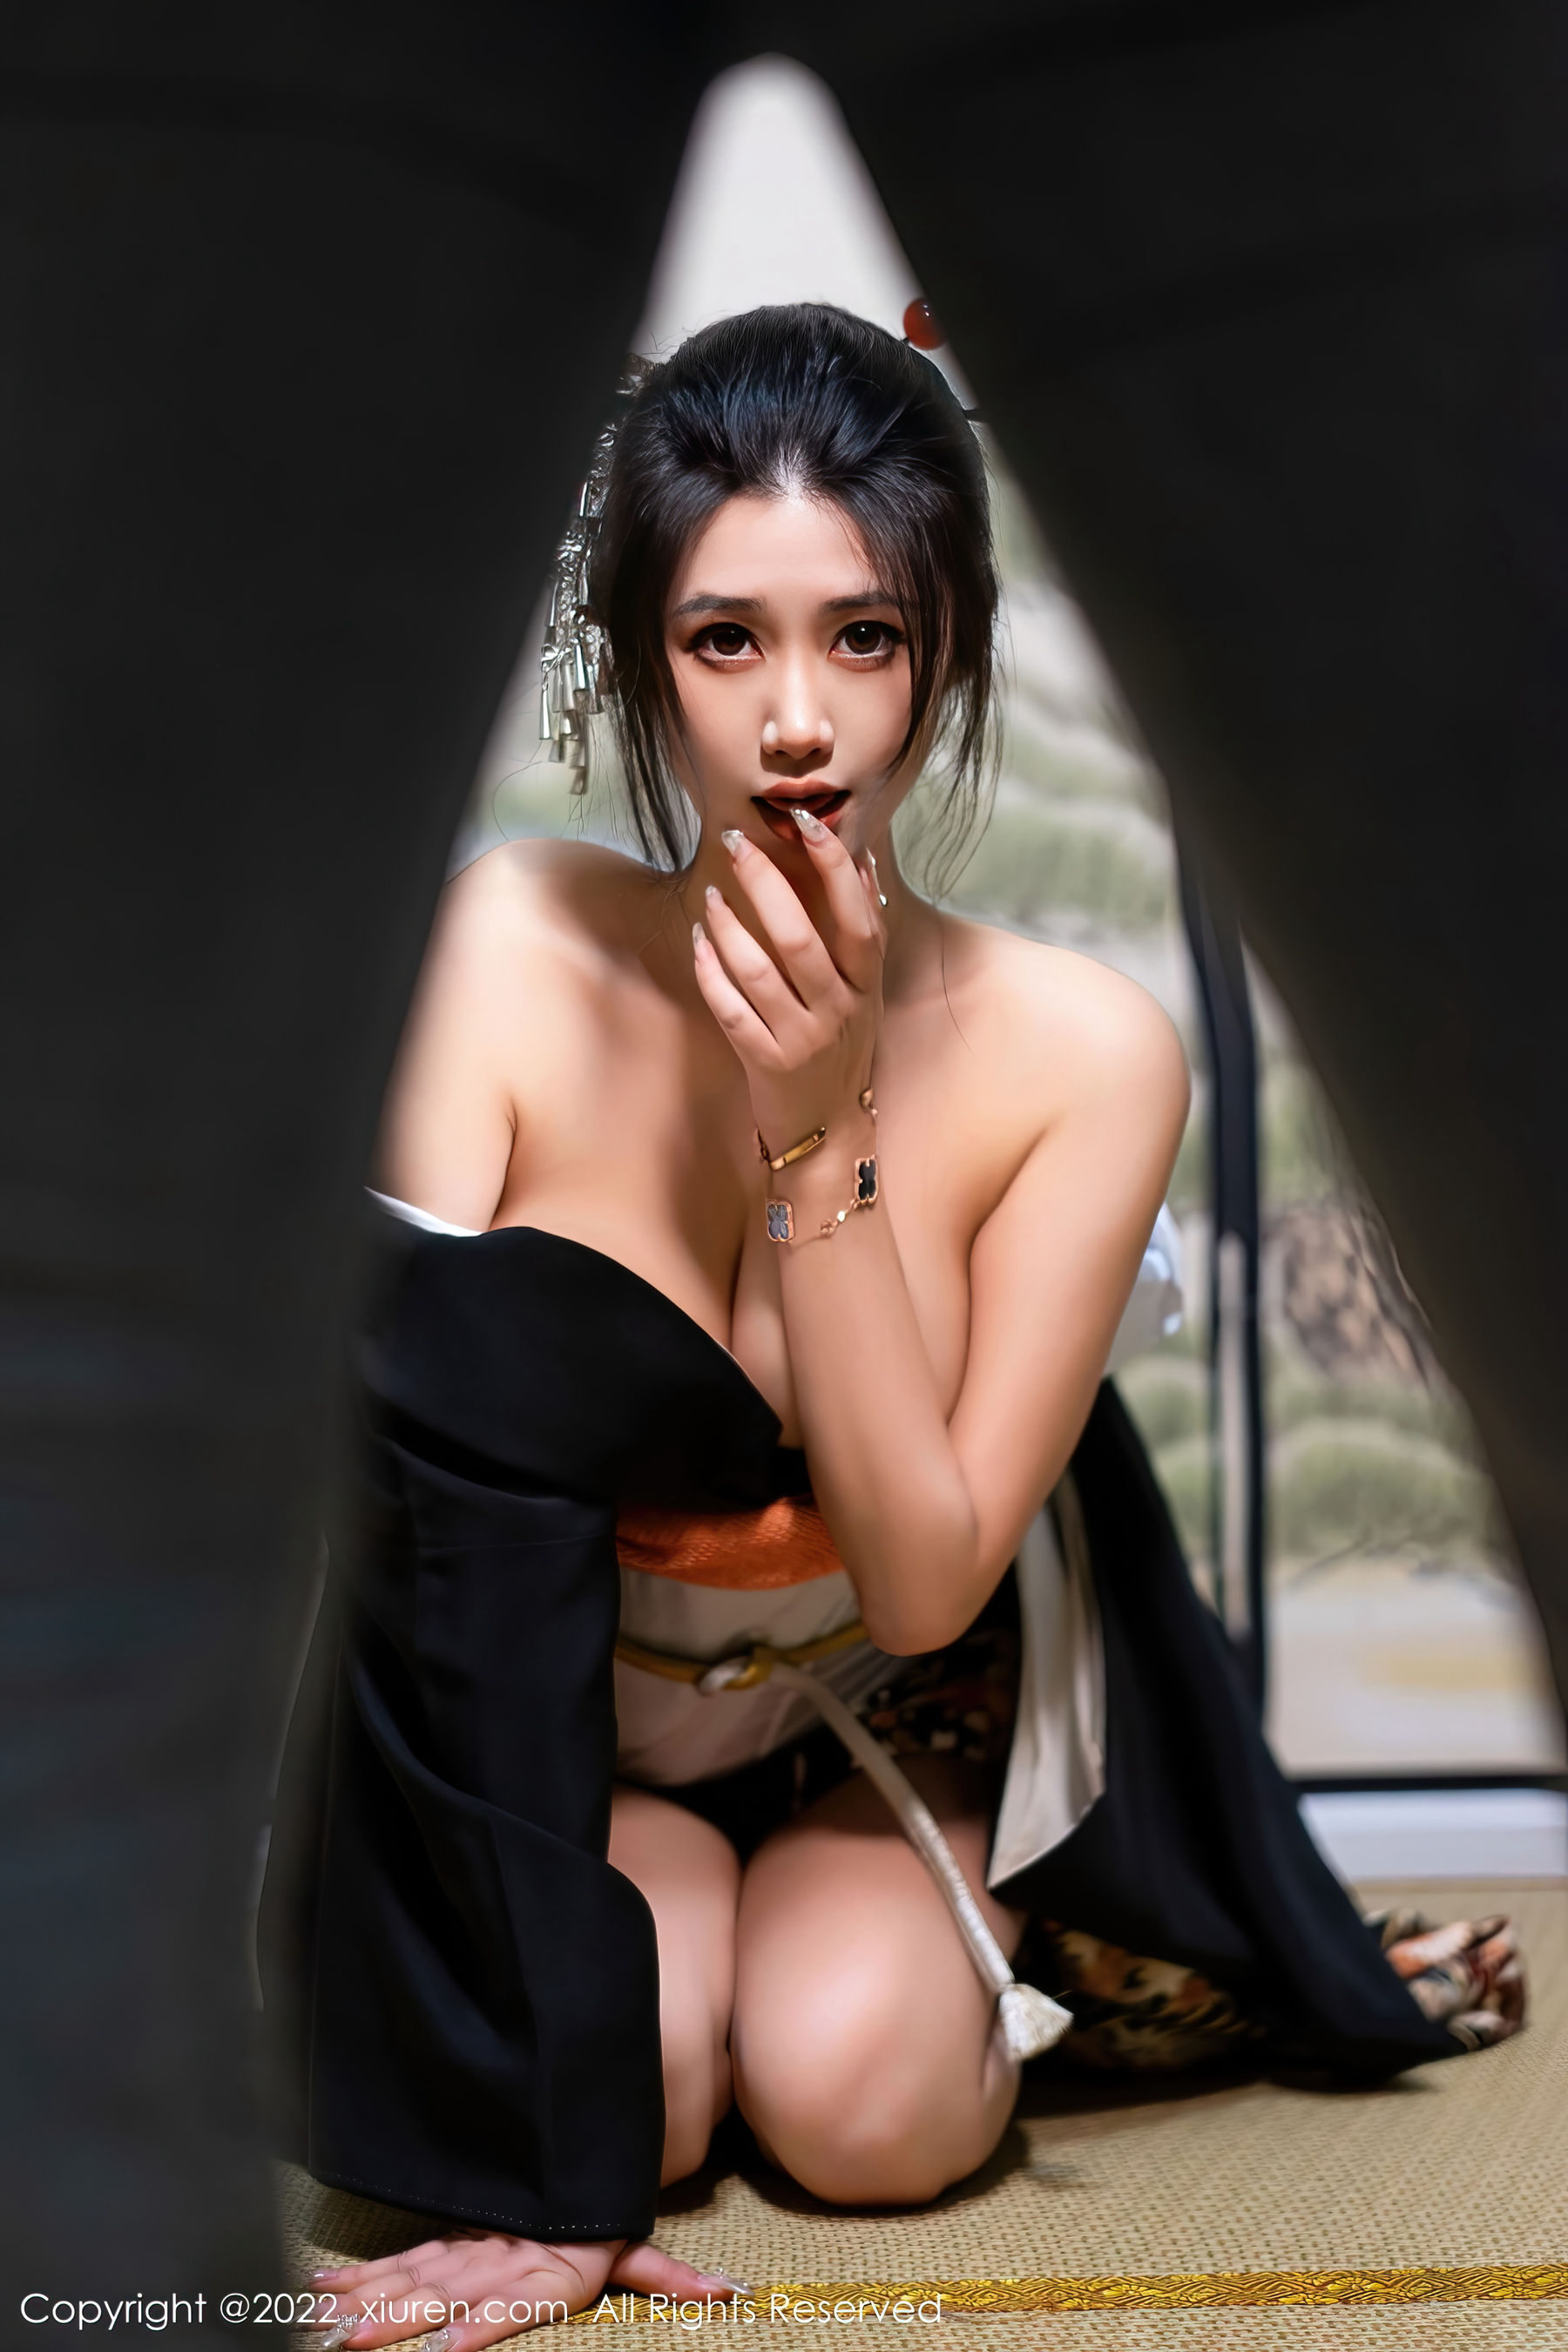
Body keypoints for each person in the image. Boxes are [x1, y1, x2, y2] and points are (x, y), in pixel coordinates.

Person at [262, 308, 1523, 2352]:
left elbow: (929, 1583)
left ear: (947, 650)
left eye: (864, 636)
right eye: (723, 639)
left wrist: (818, 1128)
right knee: (643, 2102)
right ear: (639, 658)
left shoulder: (1079, 1052)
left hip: (883, 1711)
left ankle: (1025, 1930)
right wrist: (535, 2157)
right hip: (556, 1727)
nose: (797, 721)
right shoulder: (508, 945)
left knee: (858, 2107)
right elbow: (423, 1542)